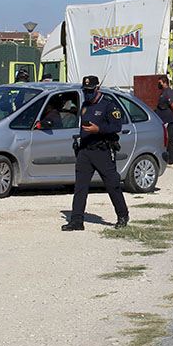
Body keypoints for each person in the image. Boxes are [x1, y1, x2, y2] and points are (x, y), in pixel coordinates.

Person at [62, 76, 130, 231]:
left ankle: (122, 215)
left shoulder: (108, 106)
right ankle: (77, 220)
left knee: (112, 184)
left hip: (102, 150)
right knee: (80, 187)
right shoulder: (85, 105)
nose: (87, 93)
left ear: (97, 89)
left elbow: (117, 127)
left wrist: (99, 130)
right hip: (85, 150)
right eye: (85, 91)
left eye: (90, 91)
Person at [154, 75, 173, 164]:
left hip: (168, 120)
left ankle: (171, 159)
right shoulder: (163, 92)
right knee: (165, 139)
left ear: (164, 82)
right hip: (163, 120)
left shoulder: (168, 92)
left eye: (160, 83)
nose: (158, 84)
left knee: (170, 139)